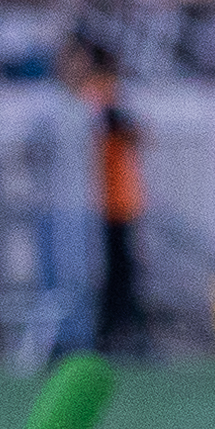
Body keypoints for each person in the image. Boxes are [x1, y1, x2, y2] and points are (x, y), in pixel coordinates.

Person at [68, 40, 148, 355]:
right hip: (102, 200)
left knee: (121, 269)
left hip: (118, 199)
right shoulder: (100, 94)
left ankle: (118, 331)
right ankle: (108, 332)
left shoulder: (108, 95)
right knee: (110, 271)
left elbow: (137, 133)